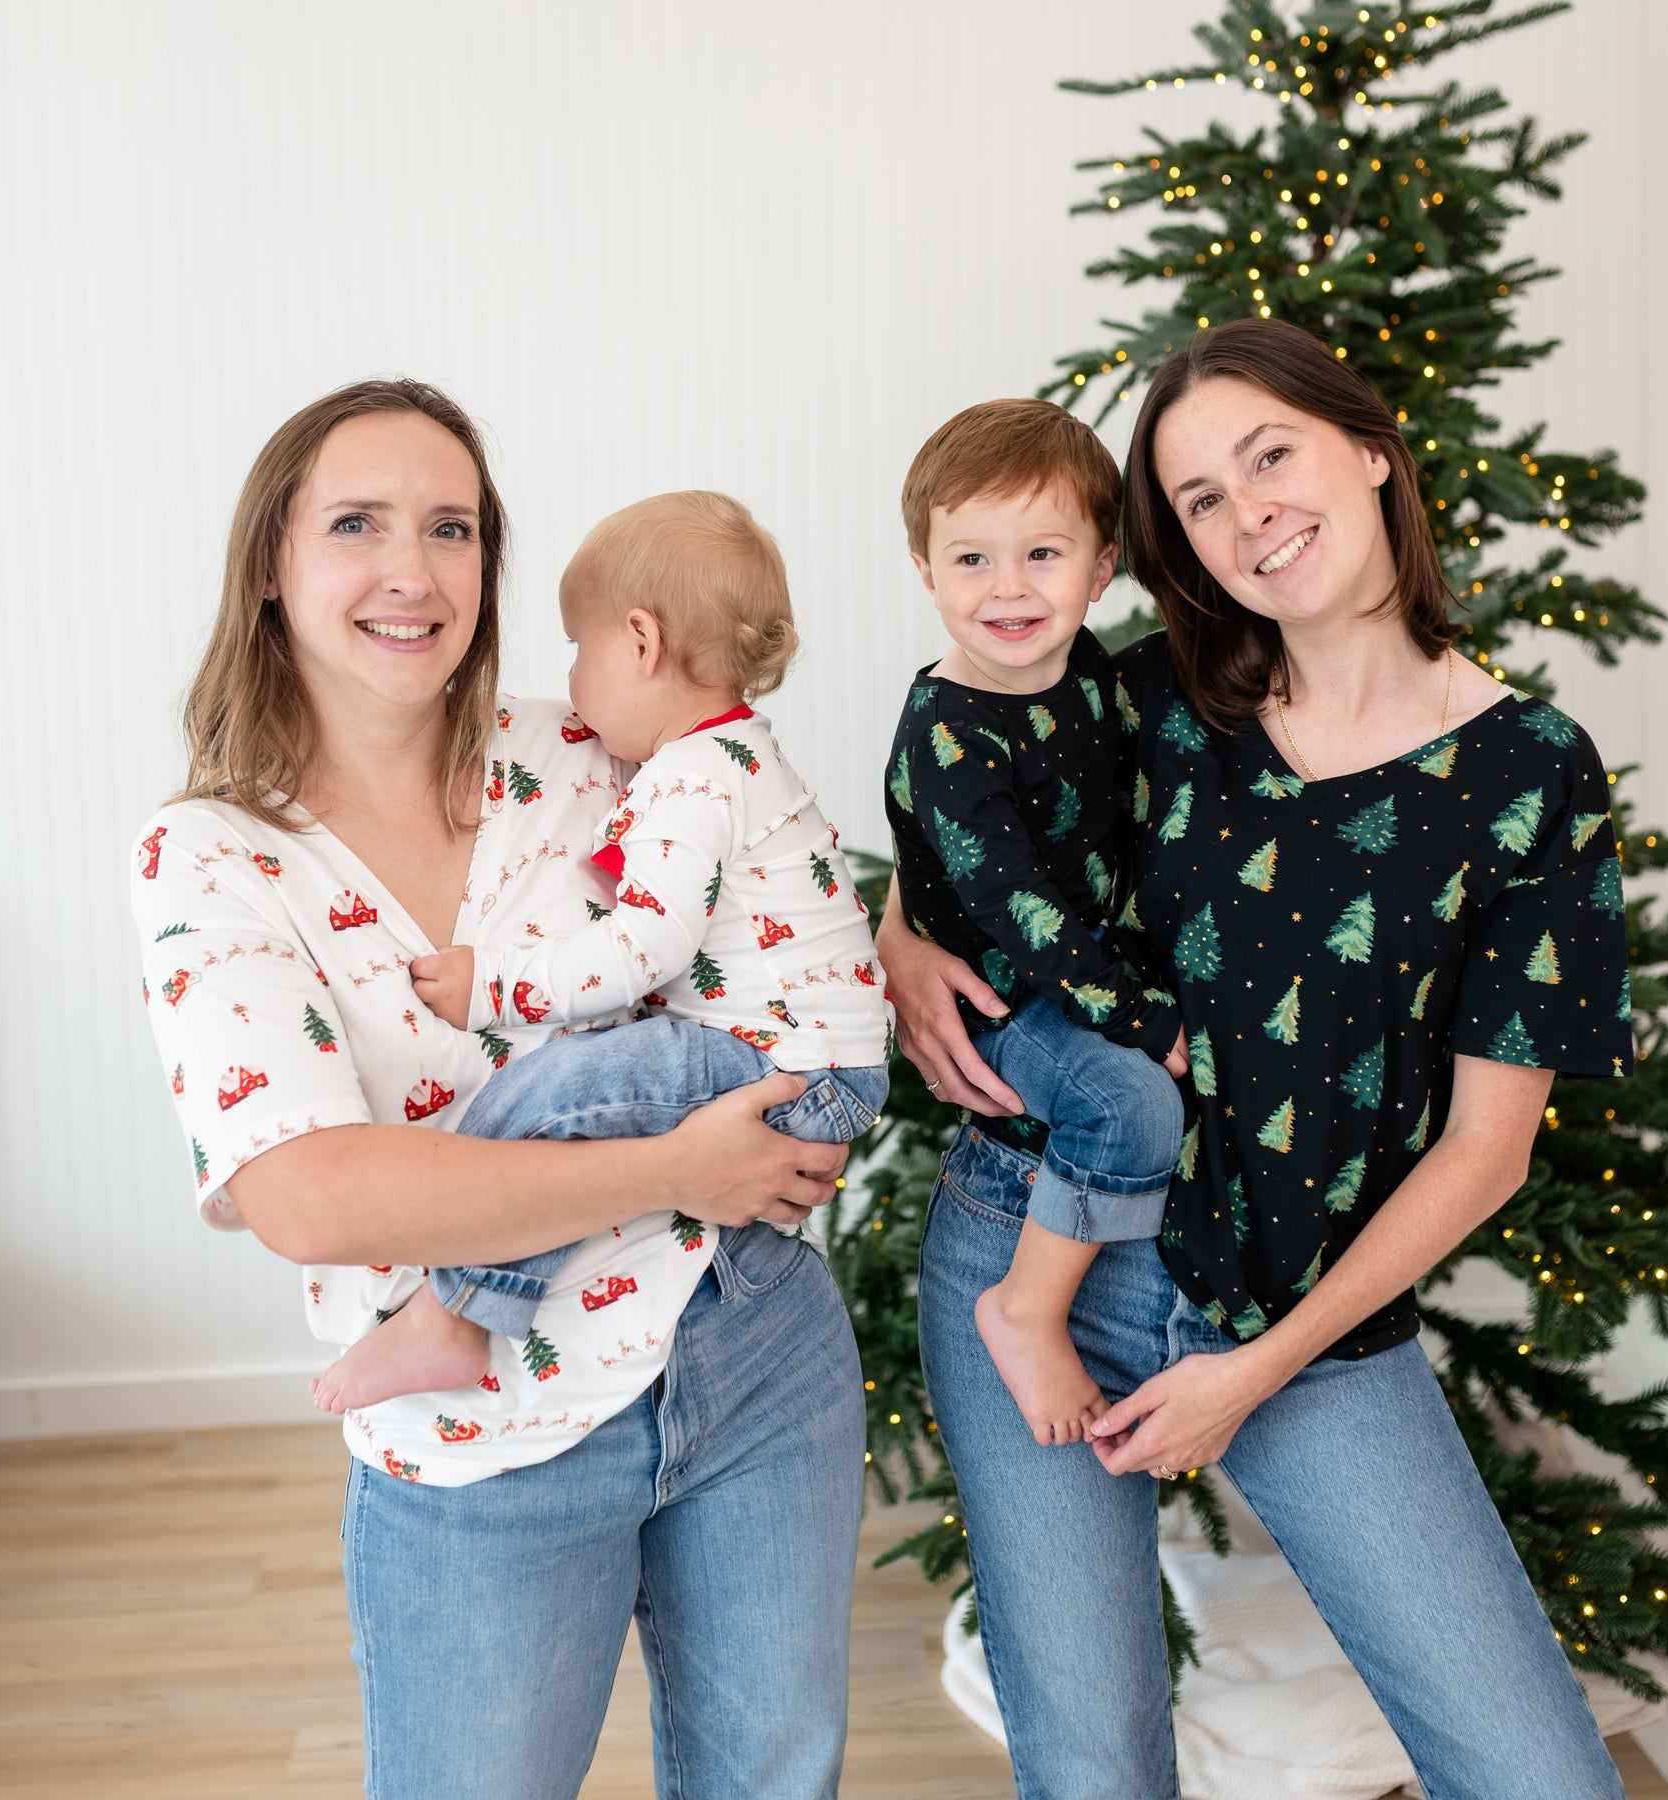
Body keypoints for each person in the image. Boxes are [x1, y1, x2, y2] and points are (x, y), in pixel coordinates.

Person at [878, 319, 1631, 1800]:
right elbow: (965, 801)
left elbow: (1487, 1149)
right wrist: (902, 934)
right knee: (1092, 1771)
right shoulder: (1146, 692)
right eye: (1201, 500)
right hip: (1034, 1257)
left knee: (1540, 1775)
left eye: (1269, 456)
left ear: (1369, 450)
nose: (1247, 513)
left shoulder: (1531, 775)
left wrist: (1258, 1368)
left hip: (1303, 1315)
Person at [130, 380, 864, 1800]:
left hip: (753, 1346)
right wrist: (673, 1171)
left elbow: (775, 878)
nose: (414, 570)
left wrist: (904, 950)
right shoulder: (208, 856)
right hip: (483, 1443)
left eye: (451, 528)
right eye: (359, 524)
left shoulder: (595, 746)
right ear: (272, 567)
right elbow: (310, 1193)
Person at [312, 490, 890, 1412]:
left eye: (579, 649)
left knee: (543, 1097)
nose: (572, 679)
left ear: (640, 642)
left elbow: (644, 949)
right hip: (811, 1057)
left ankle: (456, 1317)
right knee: (569, 1096)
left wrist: (490, 984)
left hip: (786, 1065)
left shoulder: (693, 782)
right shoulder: (730, 756)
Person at [886, 400, 1188, 1447]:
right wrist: (1150, 1022)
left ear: (1101, 569)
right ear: (926, 570)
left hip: (1074, 972)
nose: (1007, 588)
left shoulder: (1096, 673)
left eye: (1042, 554)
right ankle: (1027, 1306)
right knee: (1133, 1106)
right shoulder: (948, 735)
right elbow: (1026, 922)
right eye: (971, 558)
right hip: (1004, 998)